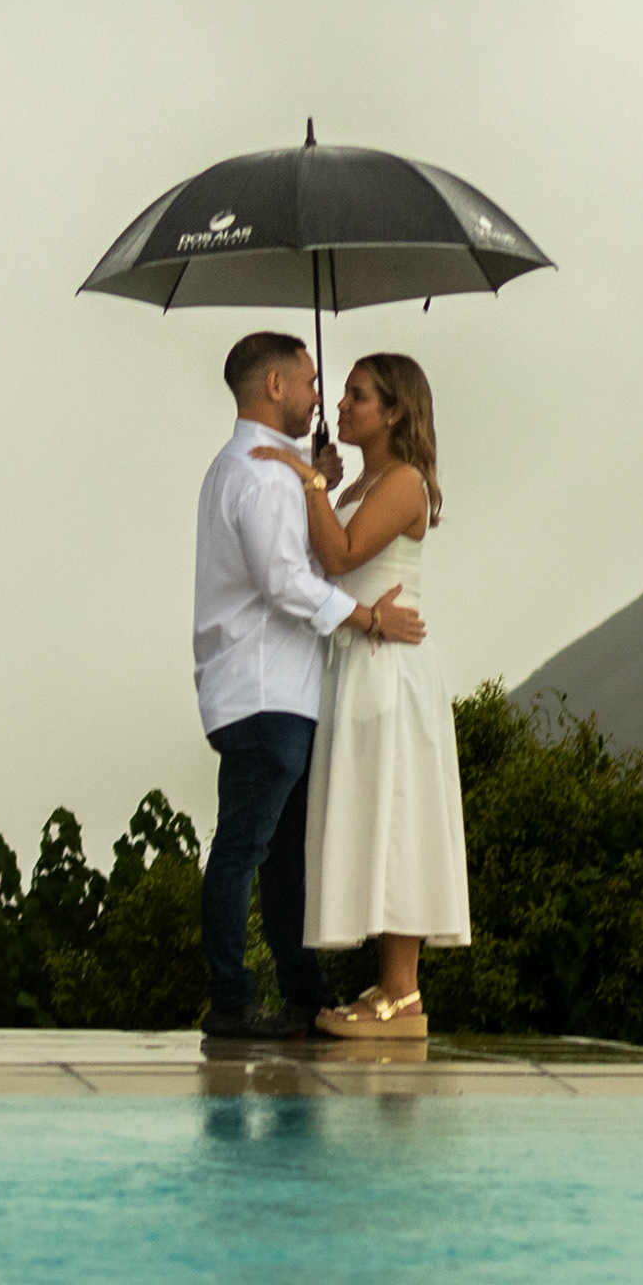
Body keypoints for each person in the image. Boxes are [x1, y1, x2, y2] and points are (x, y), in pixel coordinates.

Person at [188, 331, 421, 1039]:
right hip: (266, 691)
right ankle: (231, 997)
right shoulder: (259, 476)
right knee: (246, 849)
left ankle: (302, 991)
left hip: (275, 690)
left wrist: (314, 478)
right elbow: (287, 581)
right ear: (276, 388)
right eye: (313, 383)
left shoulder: (267, 469)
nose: (322, 397)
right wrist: (366, 620)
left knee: (284, 854)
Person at [249, 352, 472, 1038]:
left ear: (395, 411)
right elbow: (320, 564)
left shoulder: (403, 481)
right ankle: (389, 988)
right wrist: (325, 485)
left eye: (358, 396)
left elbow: (343, 555)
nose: (339, 406)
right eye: (341, 394)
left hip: (389, 669)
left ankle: (402, 995)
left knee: (397, 813)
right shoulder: (361, 483)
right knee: (371, 814)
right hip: (355, 662)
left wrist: (309, 478)